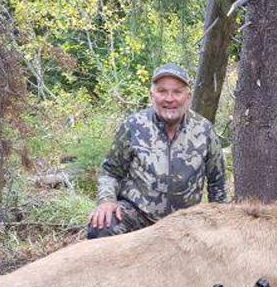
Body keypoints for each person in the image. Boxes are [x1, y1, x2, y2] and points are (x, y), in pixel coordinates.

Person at [88, 63, 227, 239]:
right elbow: (110, 172)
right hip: (138, 216)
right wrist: (107, 201)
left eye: (177, 92)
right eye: (162, 91)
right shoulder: (134, 126)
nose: (169, 98)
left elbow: (218, 184)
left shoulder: (204, 130)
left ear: (188, 97)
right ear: (152, 95)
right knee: (102, 225)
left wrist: (220, 222)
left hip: (186, 222)